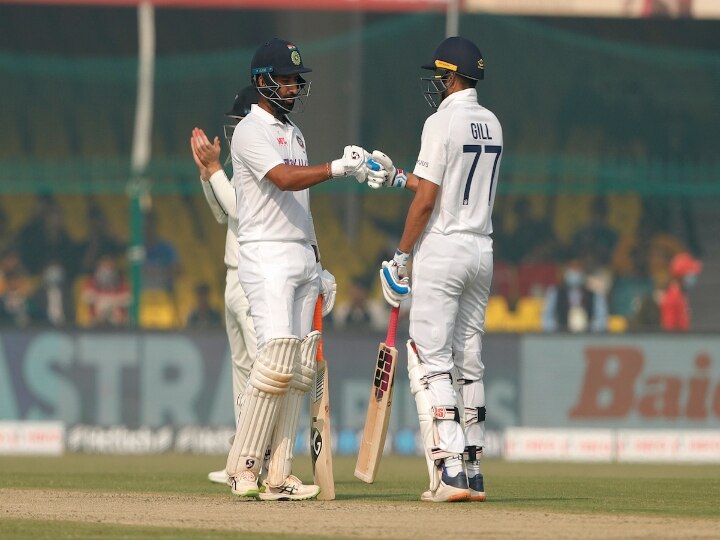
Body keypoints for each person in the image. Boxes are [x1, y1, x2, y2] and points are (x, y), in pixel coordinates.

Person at [192, 37, 370, 501]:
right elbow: (284, 179)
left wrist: (318, 260)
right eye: (284, 79)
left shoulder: (294, 133)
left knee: (298, 369)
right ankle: (243, 466)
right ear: (261, 82)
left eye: (295, 79)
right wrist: (337, 168)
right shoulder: (250, 130)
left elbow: (300, 204)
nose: (292, 86)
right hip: (264, 254)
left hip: (298, 254)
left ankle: (278, 474)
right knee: (273, 359)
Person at [369, 36, 501, 503]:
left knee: (430, 359)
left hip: (443, 249)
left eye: (439, 76)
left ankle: (448, 472)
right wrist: (397, 176)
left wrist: (402, 256)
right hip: (480, 249)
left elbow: (429, 202)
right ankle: (473, 469)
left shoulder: (440, 120)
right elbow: (441, 188)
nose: (435, 84)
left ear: (451, 76)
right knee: (470, 361)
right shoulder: (492, 123)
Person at [190, 87, 260, 484]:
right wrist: (208, 176)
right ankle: (240, 457)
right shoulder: (242, 166)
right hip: (232, 278)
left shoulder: (261, 164)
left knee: (261, 372)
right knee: (242, 369)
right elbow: (222, 215)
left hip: (253, 279)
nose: (235, 131)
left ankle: (258, 460)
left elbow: (237, 208)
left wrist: (216, 170)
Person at [541, 258, 608, 333]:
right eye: (572, 268)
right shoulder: (554, 292)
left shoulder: (595, 294)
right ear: (566, 271)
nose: (575, 272)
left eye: (578, 269)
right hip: (561, 337)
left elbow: (601, 319)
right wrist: (556, 331)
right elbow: (547, 317)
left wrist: (591, 330)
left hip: (587, 338)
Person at [660, 251, 702, 331]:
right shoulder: (673, 296)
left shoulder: (680, 294)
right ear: (682, 275)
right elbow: (669, 328)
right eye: (691, 273)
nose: (693, 276)